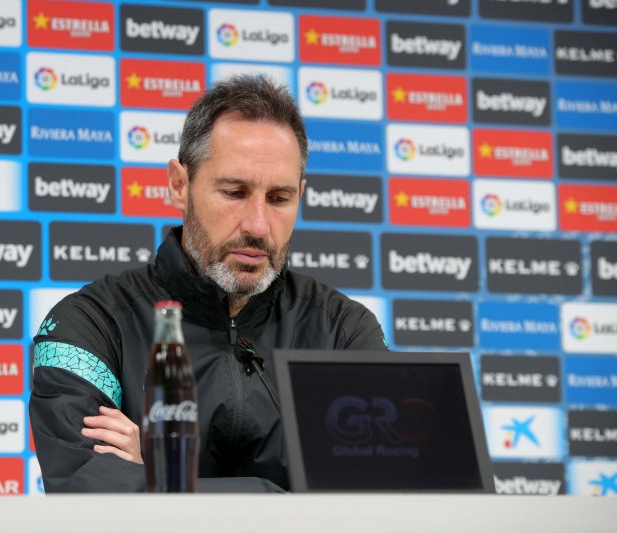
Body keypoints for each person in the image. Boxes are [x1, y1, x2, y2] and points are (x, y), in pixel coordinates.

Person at [29, 75, 388, 493]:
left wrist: (161, 483)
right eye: (234, 192)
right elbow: (87, 487)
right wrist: (296, 499)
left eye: (279, 199)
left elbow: (384, 493)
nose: (258, 225)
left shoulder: (344, 332)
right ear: (179, 186)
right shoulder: (89, 324)